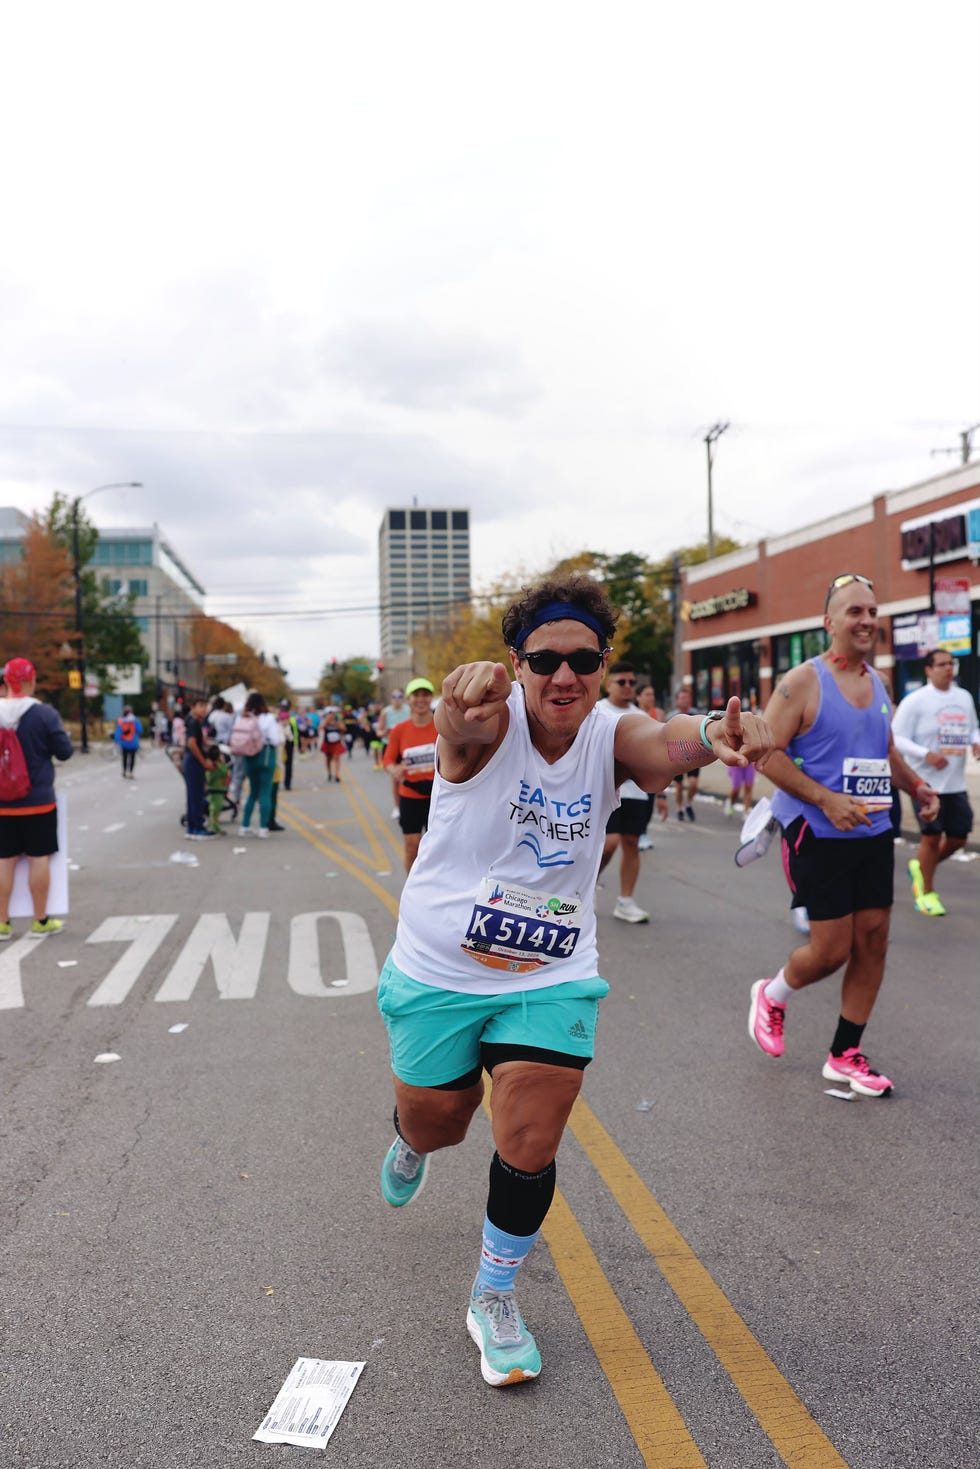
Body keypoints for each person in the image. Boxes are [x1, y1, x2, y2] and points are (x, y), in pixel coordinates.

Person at [376, 576, 772, 1388]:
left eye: (583, 659)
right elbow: (458, 732)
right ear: (517, 663)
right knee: (442, 1122)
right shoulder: (489, 723)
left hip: (551, 969)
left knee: (531, 1131)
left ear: (602, 664)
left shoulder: (609, 732)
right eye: (546, 660)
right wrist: (456, 709)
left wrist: (712, 735)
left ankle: (493, 1293)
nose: (565, 676)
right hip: (441, 967)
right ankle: (410, 1138)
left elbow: (666, 743)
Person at [748, 573, 939, 1097]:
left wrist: (918, 787)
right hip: (818, 832)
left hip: (874, 829)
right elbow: (765, 752)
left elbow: (886, 753)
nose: (867, 621)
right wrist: (826, 799)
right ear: (829, 622)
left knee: (873, 940)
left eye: (872, 612)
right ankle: (773, 993)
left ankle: (844, 1054)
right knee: (831, 951)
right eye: (855, 611)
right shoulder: (802, 682)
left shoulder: (877, 682)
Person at [892, 648, 980, 916]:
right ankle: (926, 894)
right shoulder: (916, 701)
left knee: (958, 837)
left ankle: (920, 866)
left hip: (954, 783)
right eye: (941, 664)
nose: (948, 669)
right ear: (928, 670)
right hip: (925, 782)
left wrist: (976, 741)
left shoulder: (963, 697)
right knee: (931, 837)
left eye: (951, 664)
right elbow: (895, 738)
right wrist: (925, 754)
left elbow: (972, 727)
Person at [0, 657, 73, 937]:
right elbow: (64, 751)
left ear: (6, 681)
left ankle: (3, 922)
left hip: (2, 805)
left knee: (4, 860)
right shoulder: (44, 714)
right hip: (38, 801)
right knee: (38, 858)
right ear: (31, 681)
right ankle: (40, 920)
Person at [595, 661, 653, 922]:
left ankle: (625, 901)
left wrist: (660, 795)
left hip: (637, 792)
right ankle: (585, 886)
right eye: (622, 682)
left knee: (631, 844)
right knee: (610, 843)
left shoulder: (641, 716)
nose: (628, 687)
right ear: (609, 684)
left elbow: (654, 755)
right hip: (605, 789)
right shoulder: (596, 711)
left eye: (632, 682)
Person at [383, 676, 438, 873]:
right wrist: (395, 770)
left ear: (431, 698)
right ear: (408, 699)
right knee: (412, 847)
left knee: (438, 850)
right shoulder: (400, 730)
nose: (421, 699)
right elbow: (388, 760)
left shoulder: (442, 725)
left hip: (438, 796)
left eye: (425, 695)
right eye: (416, 695)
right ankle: (412, 897)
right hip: (410, 795)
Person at [237, 693, 283, 837]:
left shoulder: (243, 717)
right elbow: (275, 739)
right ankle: (263, 827)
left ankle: (245, 825)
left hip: (249, 755)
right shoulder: (268, 718)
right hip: (266, 754)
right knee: (265, 792)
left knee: (253, 792)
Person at [182, 696, 216, 840]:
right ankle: (196, 828)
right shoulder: (194, 722)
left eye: (205, 706)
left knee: (194, 795)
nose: (204, 709)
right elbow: (192, 744)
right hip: (193, 761)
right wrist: (204, 762)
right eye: (200, 705)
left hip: (192, 761)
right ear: (193, 707)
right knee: (196, 796)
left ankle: (192, 827)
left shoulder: (195, 721)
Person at [669, 686, 702, 820]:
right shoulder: (671, 717)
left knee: (693, 784)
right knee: (679, 785)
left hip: (694, 754)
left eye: (687, 698)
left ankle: (688, 804)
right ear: (677, 701)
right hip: (677, 754)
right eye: (682, 698)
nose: (685, 701)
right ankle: (679, 808)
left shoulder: (697, 714)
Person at [377, 688, 410, 817]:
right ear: (391, 698)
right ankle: (397, 807)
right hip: (390, 746)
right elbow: (378, 732)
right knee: (395, 778)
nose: (397, 699)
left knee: (410, 776)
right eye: (394, 696)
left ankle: (410, 803)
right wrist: (387, 731)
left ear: (403, 697)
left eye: (399, 696)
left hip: (406, 746)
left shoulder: (409, 710)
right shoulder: (386, 712)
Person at [203, 744, 231, 835]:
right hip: (217, 791)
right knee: (215, 810)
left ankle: (215, 827)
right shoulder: (218, 767)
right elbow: (225, 772)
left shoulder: (211, 768)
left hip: (214, 791)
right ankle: (214, 827)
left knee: (215, 810)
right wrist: (222, 763)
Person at [113, 705, 143, 779]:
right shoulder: (135, 720)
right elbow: (140, 730)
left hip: (124, 743)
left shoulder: (121, 721)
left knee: (124, 757)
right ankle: (131, 772)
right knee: (132, 758)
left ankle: (124, 771)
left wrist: (116, 742)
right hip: (133, 742)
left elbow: (118, 733)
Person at [278, 699, 299, 789]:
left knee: (288, 765)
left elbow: (295, 732)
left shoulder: (292, 719)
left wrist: (296, 744)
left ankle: (287, 783)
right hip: (279, 743)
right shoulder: (276, 717)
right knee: (278, 763)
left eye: (285, 707)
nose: (284, 708)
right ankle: (276, 782)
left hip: (289, 743)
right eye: (282, 707)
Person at [320, 709, 346, 783]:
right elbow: (321, 727)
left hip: (336, 743)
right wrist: (327, 720)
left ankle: (337, 774)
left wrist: (337, 723)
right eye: (330, 714)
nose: (331, 715)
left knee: (336, 757)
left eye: (333, 714)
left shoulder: (337, 721)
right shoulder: (326, 722)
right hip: (328, 743)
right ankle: (329, 773)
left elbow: (343, 729)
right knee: (328, 758)